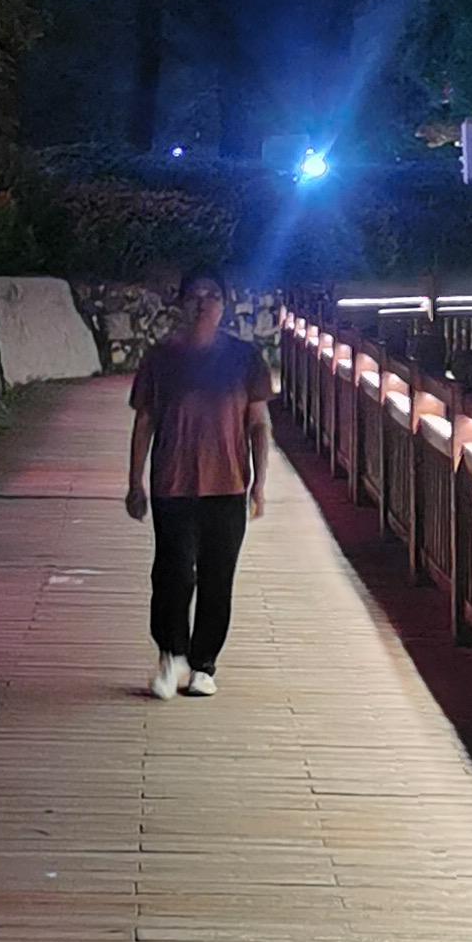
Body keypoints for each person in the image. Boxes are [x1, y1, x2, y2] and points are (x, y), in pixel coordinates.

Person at [126, 272, 271, 699]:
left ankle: (204, 664)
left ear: (224, 304)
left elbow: (259, 423)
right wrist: (134, 482)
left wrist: (260, 484)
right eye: (194, 295)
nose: (202, 303)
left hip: (227, 483)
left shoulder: (245, 359)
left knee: (217, 577)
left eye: (212, 295)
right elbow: (144, 420)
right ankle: (171, 654)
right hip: (173, 481)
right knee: (173, 573)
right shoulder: (160, 358)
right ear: (181, 303)